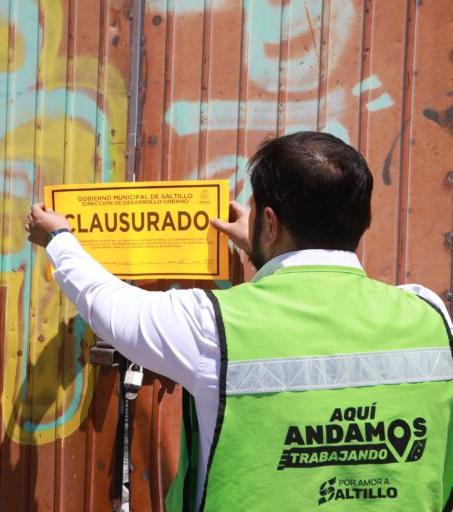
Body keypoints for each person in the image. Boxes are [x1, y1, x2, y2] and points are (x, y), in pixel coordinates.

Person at [25, 131, 453, 511]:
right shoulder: (429, 315)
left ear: (270, 221)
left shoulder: (214, 324)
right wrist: (266, 247)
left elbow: (111, 307)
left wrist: (59, 240)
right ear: (362, 220)